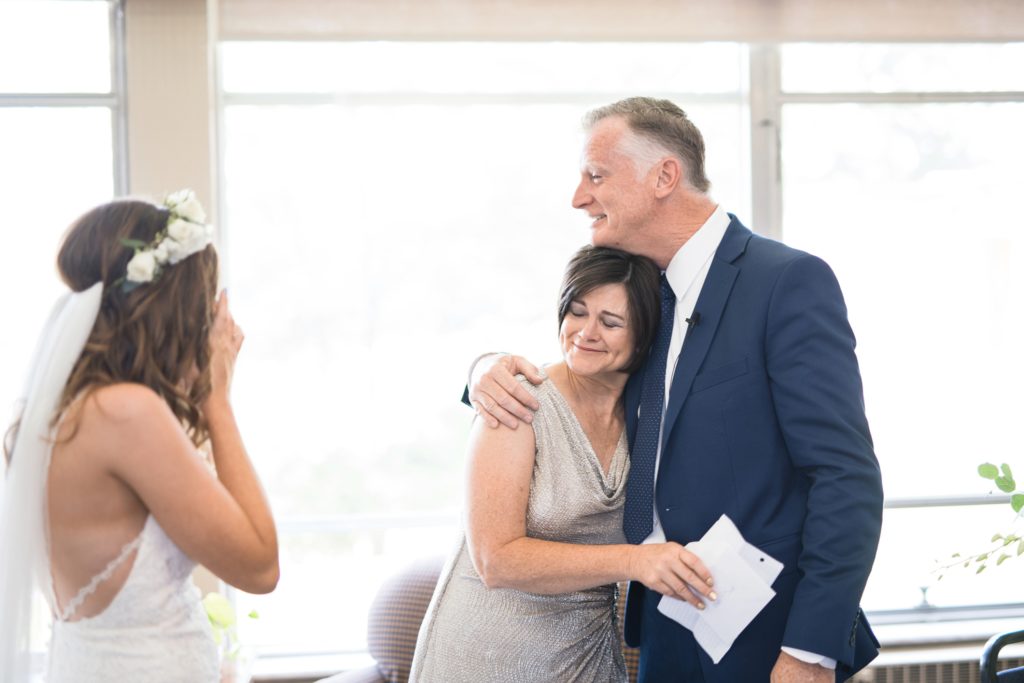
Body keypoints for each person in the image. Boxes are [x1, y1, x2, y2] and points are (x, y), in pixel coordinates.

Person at [469, 98, 884, 683]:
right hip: (664, 632)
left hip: (768, 640)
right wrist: (484, 370)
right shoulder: (642, 292)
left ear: (664, 176)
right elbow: (581, 373)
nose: (578, 198)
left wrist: (809, 652)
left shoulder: (785, 282)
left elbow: (846, 476)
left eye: (596, 175)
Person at [0, 192, 279, 682]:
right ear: (170, 309)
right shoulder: (125, 413)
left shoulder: (58, 415)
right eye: (199, 307)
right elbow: (260, 567)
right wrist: (217, 398)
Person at [410, 246, 717, 683]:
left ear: (644, 335)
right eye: (577, 312)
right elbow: (495, 560)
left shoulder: (650, 421)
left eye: (610, 322)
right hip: (485, 656)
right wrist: (635, 562)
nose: (586, 333)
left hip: (584, 654)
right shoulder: (518, 400)